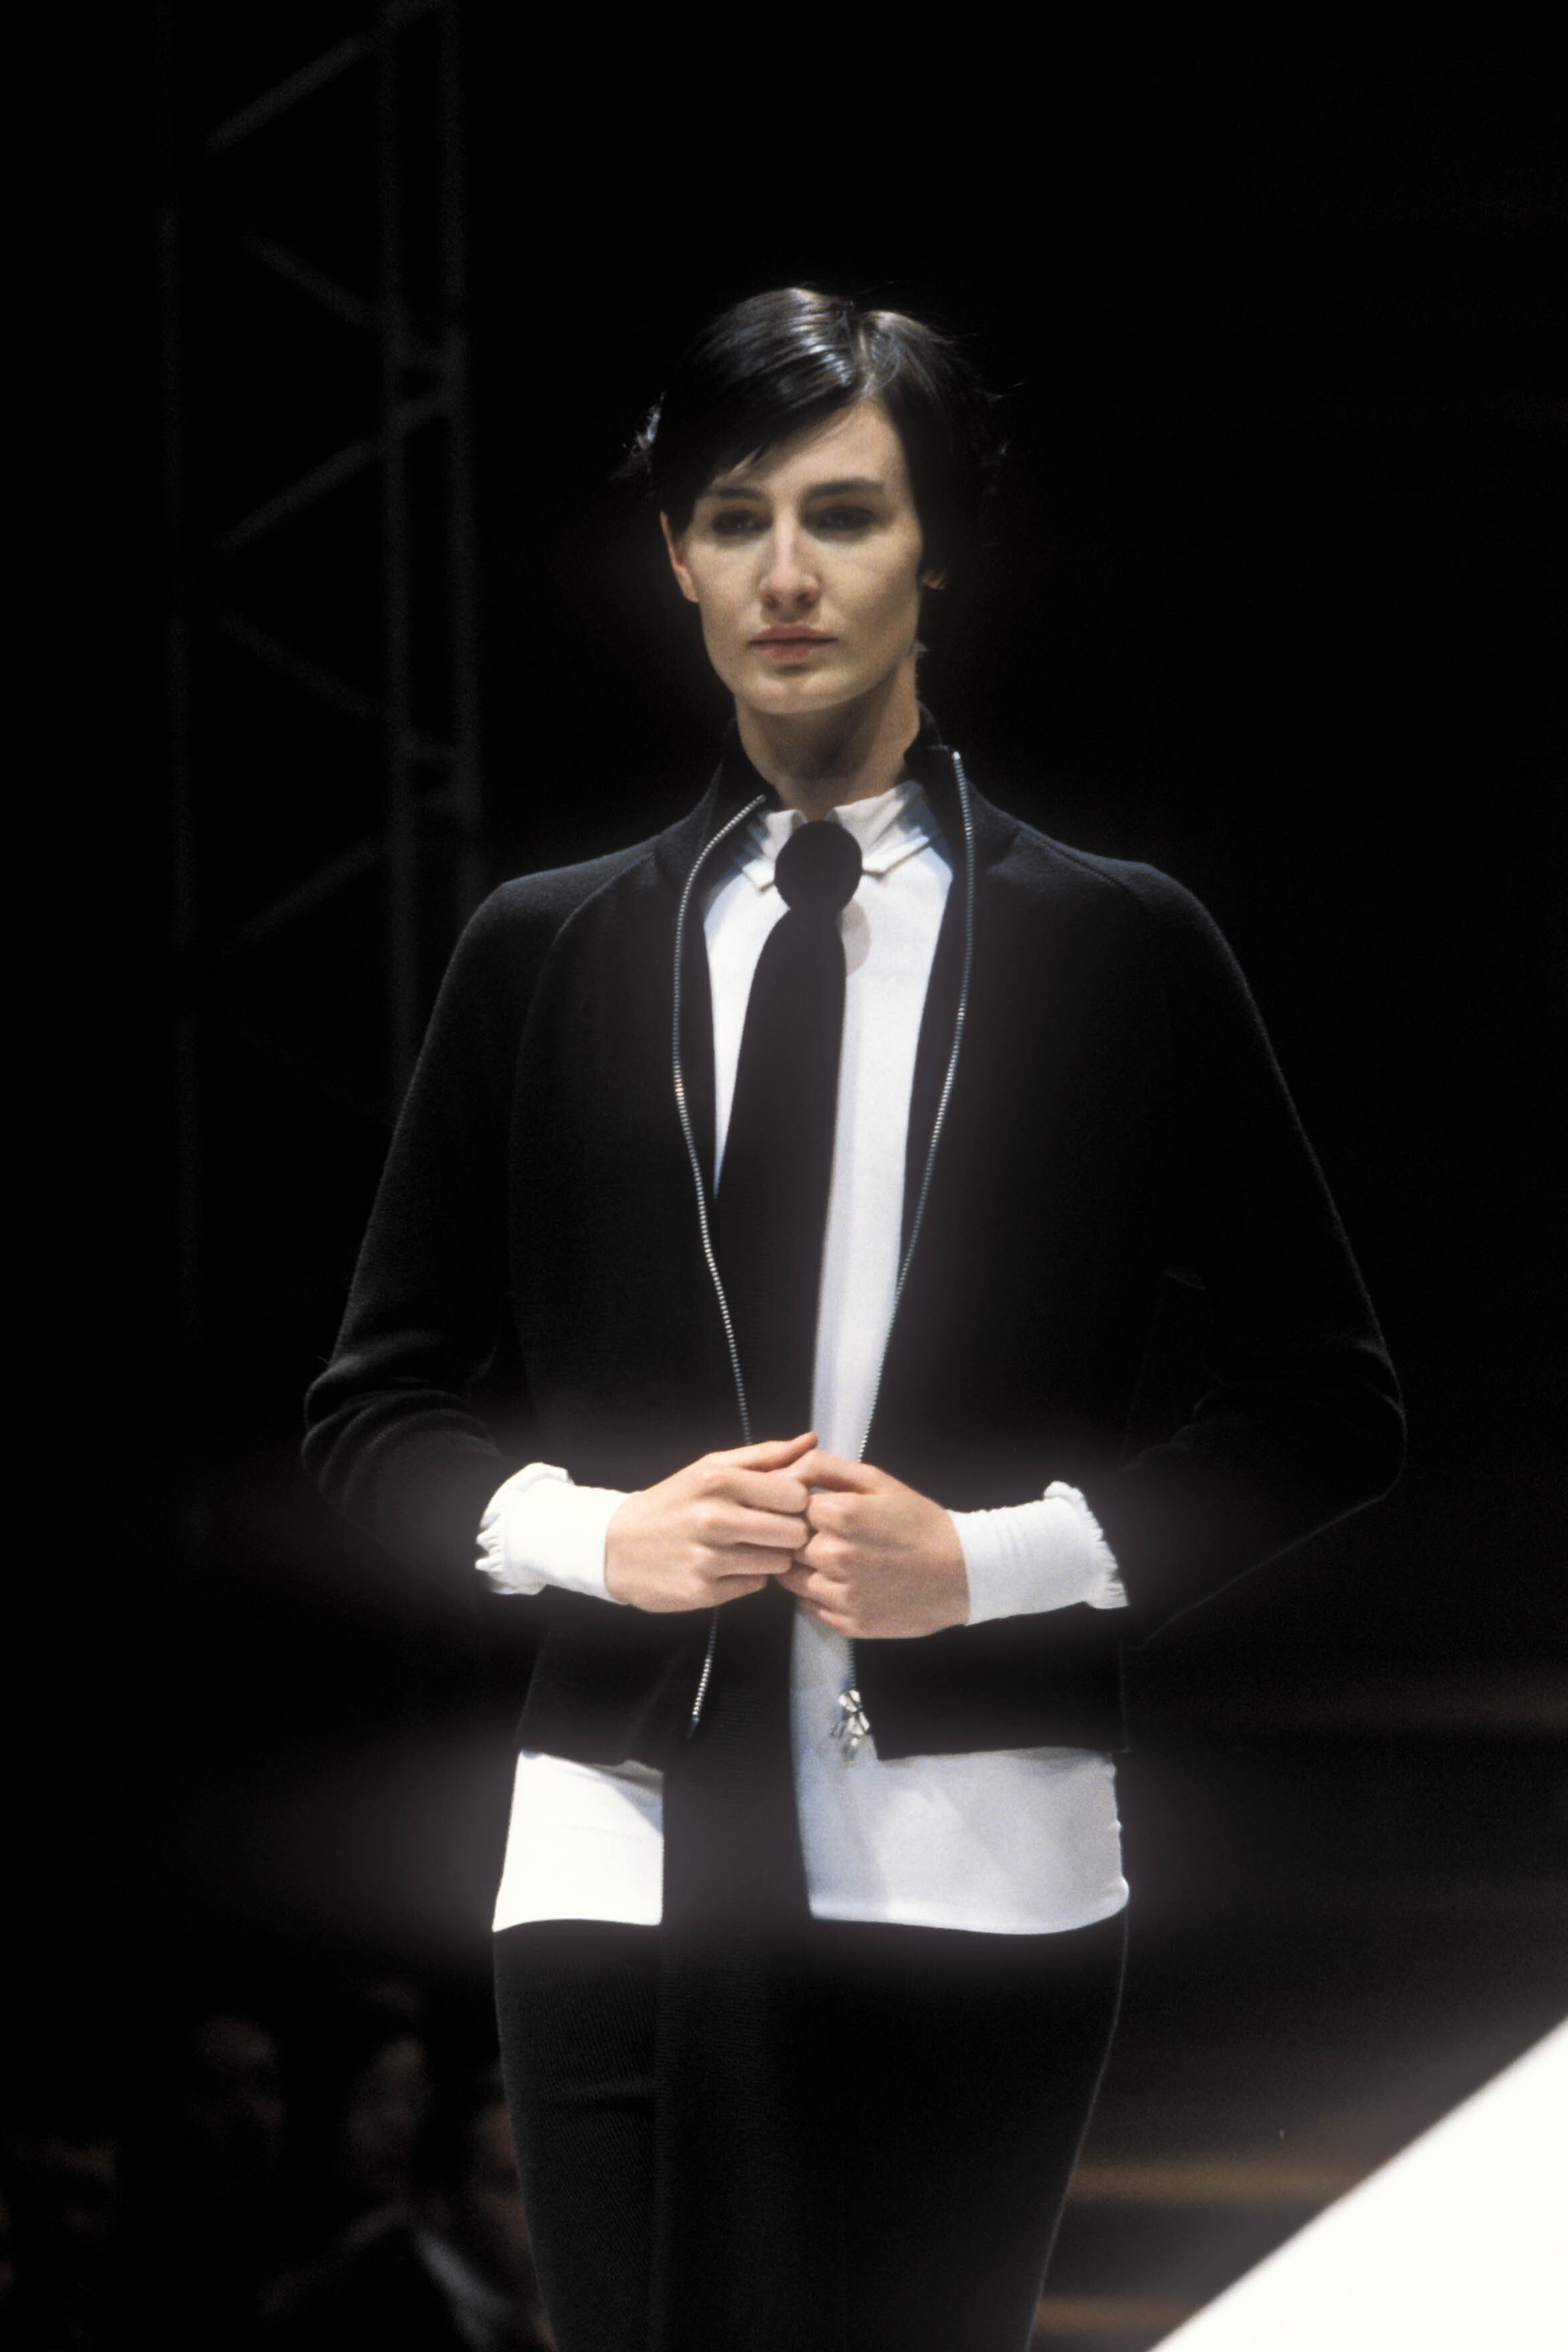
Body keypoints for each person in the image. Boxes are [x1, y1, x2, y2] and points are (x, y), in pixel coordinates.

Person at [303, 286, 1404, 2352]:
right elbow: (373, 1410)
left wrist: (990, 1562)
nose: (785, 573)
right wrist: (598, 1531)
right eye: (734, 518)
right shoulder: (544, 953)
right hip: (620, 1839)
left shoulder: (1116, 946)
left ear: (939, 550)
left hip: (975, 1854)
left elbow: (1331, 1404)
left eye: (843, 512)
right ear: (676, 559)